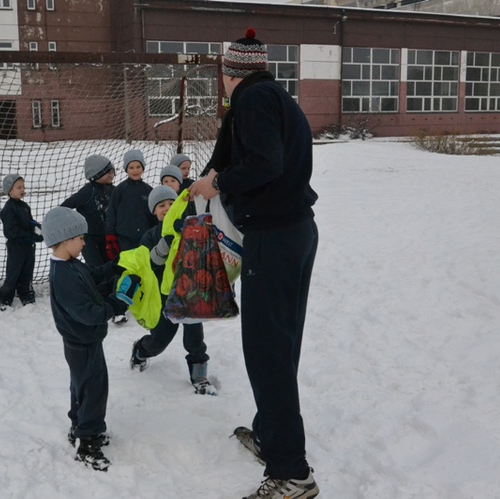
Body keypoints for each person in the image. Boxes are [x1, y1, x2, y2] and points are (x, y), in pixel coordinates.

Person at [188, 28, 320, 499]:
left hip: (275, 237)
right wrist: (210, 176)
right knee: (278, 347)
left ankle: (292, 473)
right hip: (293, 231)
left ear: (230, 73)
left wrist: (216, 183)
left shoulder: (254, 101)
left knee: (267, 352)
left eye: (222, 72)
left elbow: (265, 163)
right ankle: (271, 434)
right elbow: (261, 158)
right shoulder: (272, 96)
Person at [43, 206, 138, 472]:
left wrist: (115, 266)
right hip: (82, 341)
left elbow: (93, 276)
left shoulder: (71, 265)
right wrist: (116, 304)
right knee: (94, 390)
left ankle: (79, 424)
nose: (84, 242)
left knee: (81, 386)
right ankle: (88, 441)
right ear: (65, 240)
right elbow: (88, 313)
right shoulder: (64, 276)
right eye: (80, 238)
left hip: (82, 341)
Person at [130, 185, 215, 395]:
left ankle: (200, 376)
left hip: (189, 293)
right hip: (164, 297)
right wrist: (165, 244)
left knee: (194, 339)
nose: (167, 208)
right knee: (160, 340)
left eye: (171, 204)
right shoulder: (151, 236)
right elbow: (151, 264)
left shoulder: (187, 227)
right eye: (161, 205)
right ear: (154, 211)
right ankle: (141, 350)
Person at [0, 174, 44, 310]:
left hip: (28, 246)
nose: (22, 189)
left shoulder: (24, 206)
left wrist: (37, 228)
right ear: (9, 191)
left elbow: (29, 222)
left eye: (23, 186)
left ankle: (26, 294)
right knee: (14, 272)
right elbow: (11, 232)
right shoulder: (8, 209)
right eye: (18, 187)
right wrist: (30, 236)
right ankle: (5, 297)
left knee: (27, 271)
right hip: (16, 247)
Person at [61, 154, 115, 267]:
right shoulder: (87, 192)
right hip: (89, 239)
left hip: (107, 237)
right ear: (97, 174)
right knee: (96, 266)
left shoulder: (112, 190)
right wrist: (73, 226)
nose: (112, 175)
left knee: (110, 266)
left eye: (112, 171)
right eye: (108, 172)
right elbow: (64, 207)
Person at [105, 149, 154, 259]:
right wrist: (110, 236)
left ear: (143, 168)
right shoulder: (119, 190)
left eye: (138, 167)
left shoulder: (149, 190)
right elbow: (111, 213)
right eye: (131, 167)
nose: (135, 170)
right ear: (126, 169)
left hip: (144, 239)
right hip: (124, 240)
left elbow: (154, 215)